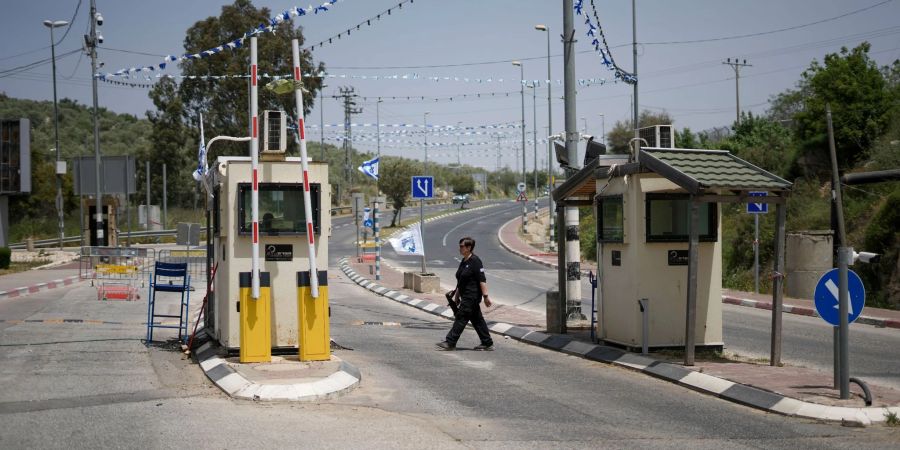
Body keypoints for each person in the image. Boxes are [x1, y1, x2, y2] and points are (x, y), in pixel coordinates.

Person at [437, 236, 494, 351]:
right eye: (460, 246)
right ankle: (487, 342)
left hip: (472, 296)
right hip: (465, 295)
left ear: (469, 247)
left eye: (462, 246)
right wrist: (457, 296)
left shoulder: (475, 261)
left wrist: (486, 297)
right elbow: (460, 281)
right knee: (477, 319)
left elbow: (482, 280)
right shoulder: (464, 261)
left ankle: (450, 341)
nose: (460, 248)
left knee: (461, 317)